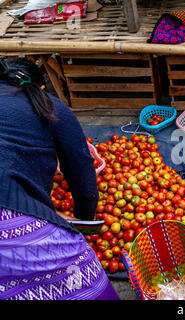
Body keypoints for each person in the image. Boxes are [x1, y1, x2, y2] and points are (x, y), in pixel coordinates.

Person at [0, 57, 119, 300]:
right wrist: (83, 223)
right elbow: (83, 177)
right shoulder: (49, 105)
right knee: (84, 285)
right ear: (40, 87)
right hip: (10, 217)